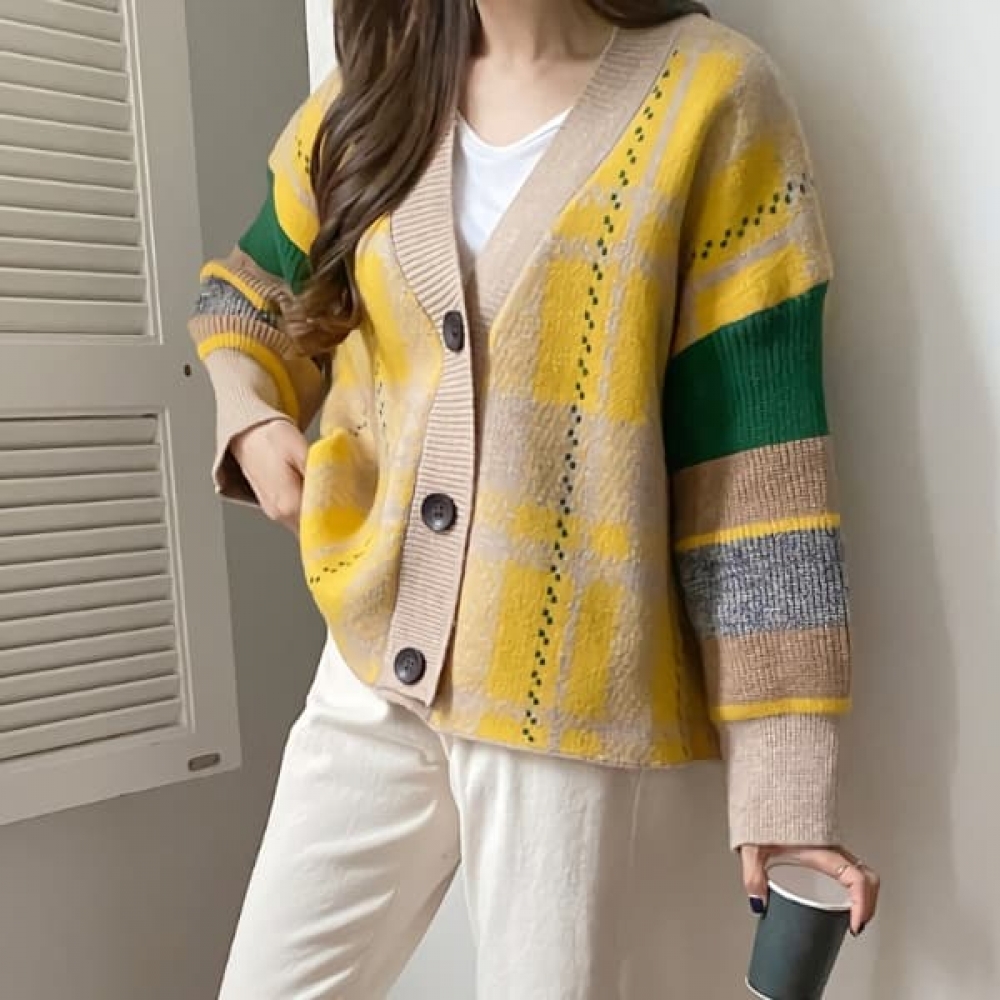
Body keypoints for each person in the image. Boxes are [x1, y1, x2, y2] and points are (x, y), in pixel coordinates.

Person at [190, 1, 880, 996]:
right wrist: (251, 413)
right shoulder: (368, 100)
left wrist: (785, 784)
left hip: (561, 694)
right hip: (371, 670)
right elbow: (248, 293)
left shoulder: (713, 95)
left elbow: (757, 469)